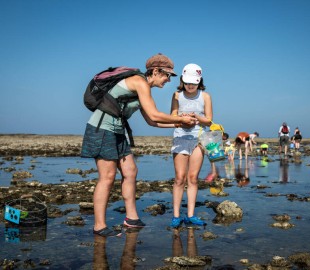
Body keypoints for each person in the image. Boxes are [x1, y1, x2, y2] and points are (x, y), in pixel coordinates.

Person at [81, 54, 197, 237]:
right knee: (107, 176)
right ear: (156, 71)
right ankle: (99, 226)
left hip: (118, 131)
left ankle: (131, 218)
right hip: (102, 129)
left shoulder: (144, 89)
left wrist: (179, 123)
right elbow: (156, 114)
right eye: (168, 75)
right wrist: (180, 118)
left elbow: (152, 121)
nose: (169, 80)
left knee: (130, 171)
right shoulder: (139, 82)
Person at [170, 63, 212, 228]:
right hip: (180, 138)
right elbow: (172, 115)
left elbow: (208, 120)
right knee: (180, 177)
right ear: (182, 80)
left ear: (199, 81)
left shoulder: (205, 96)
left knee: (193, 178)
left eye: (194, 83)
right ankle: (175, 216)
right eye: (187, 82)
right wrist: (182, 118)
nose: (190, 86)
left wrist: (195, 117)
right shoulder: (177, 95)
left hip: (198, 140)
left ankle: (191, 215)